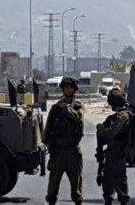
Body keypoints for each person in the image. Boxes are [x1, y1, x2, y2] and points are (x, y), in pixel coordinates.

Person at [43, 77, 84, 205]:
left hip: (72, 150)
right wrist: (49, 145)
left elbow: (79, 119)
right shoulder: (55, 108)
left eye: (70, 87)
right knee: (53, 185)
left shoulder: (79, 107)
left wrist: (66, 108)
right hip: (58, 151)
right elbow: (48, 129)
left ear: (74, 89)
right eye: (65, 87)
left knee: (76, 185)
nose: (68, 89)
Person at [96, 87, 131, 205]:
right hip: (111, 153)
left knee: (119, 180)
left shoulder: (123, 116)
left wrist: (101, 130)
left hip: (119, 153)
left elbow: (110, 133)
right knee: (107, 182)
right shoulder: (114, 117)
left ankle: (122, 201)